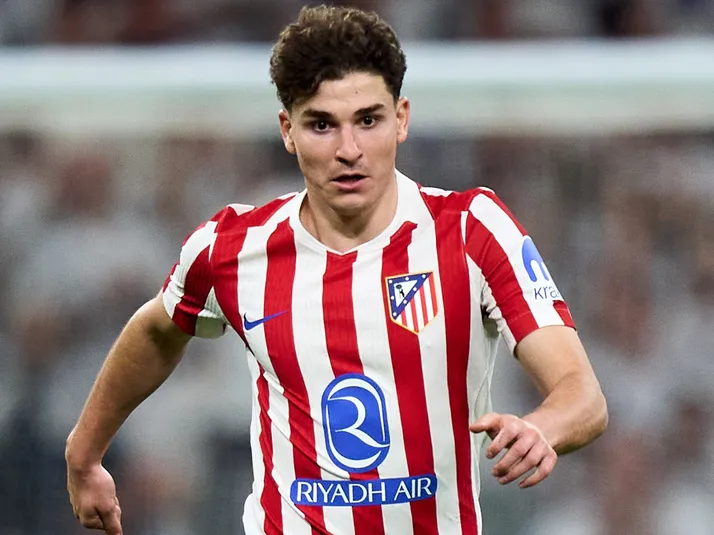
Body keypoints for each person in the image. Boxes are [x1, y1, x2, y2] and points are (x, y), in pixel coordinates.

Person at [65, 5, 608, 535]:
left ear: (401, 119)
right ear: (288, 131)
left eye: (368, 120)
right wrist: (83, 454)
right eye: (322, 125)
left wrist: (541, 427)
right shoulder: (231, 249)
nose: (349, 150)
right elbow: (158, 330)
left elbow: (582, 394)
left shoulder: (471, 231)